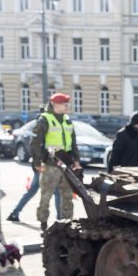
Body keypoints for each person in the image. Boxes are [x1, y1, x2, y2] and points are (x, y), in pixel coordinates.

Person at [30, 92, 82, 232]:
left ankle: (67, 223)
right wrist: (37, 162)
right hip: (51, 164)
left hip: (66, 164)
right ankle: (43, 224)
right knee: (45, 196)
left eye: (67, 104)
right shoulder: (44, 119)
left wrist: (77, 160)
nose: (67, 107)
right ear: (55, 104)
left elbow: (73, 143)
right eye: (65, 104)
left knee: (67, 196)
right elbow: (35, 142)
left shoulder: (67, 120)